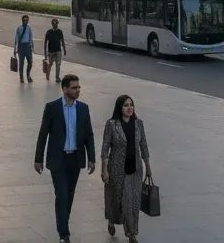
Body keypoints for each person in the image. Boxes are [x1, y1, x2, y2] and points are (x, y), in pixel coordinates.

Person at [34, 74, 96, 243]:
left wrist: (92, 157)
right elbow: (43, 134)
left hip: (75, 159)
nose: (78, 90)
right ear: (65, 89)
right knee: (61, 194)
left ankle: (63, 223)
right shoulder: (52, 107)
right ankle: (64, 233)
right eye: (74, 87)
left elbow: (89, 135)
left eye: (79, 87)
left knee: (69, 195)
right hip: (58, 159)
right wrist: (38, 158)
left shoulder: (83, 108)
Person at [101, 95, 151, 243]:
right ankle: (111, 220)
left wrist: (148, 166)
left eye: (131, 105)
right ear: (119, 107)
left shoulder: (138, 124)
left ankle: (132, 234)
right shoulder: (111, 124)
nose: (129, 108)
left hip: (135, 170)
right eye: (125, 105)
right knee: (116, 201)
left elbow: (144, 146)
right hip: (116, 170)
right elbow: (105, 149)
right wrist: (104, 170)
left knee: (133, 202)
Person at [13, 14, 35, 83]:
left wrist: (32, 46)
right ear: (22, 20)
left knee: (30, 62)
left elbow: (31, 37)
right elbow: (16, 40)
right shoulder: (19, 28)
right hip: (21, 47)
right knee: (21, 63)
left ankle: (28, 75)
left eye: (27, 20)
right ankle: (21, 77)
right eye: (24, 20)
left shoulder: (29, 28)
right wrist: (15, 49)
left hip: (28, 47)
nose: (25, 22)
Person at [44, 18, 67, 83]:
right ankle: (47, 75)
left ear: (58, 24)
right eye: (54, 23)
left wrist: (64, 49)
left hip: (58, 51)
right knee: (50, 64)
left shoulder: (60, 31)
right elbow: (45, 42)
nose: (55, 24)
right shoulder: (49, 32)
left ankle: (57, 78)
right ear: (52, 24)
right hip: (50, 51)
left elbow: (62, 41)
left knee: (58, 64)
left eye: (56, 23)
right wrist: (45, 54)